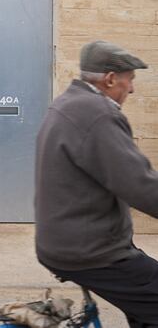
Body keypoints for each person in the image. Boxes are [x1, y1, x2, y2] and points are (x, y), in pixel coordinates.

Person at [35, 40, 158, 327]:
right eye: (130, 80)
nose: (132, 89)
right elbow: (140, 186)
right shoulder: (99, 114)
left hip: (67, 241)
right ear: (111, 78)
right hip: (91, 251)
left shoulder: (66, 103)